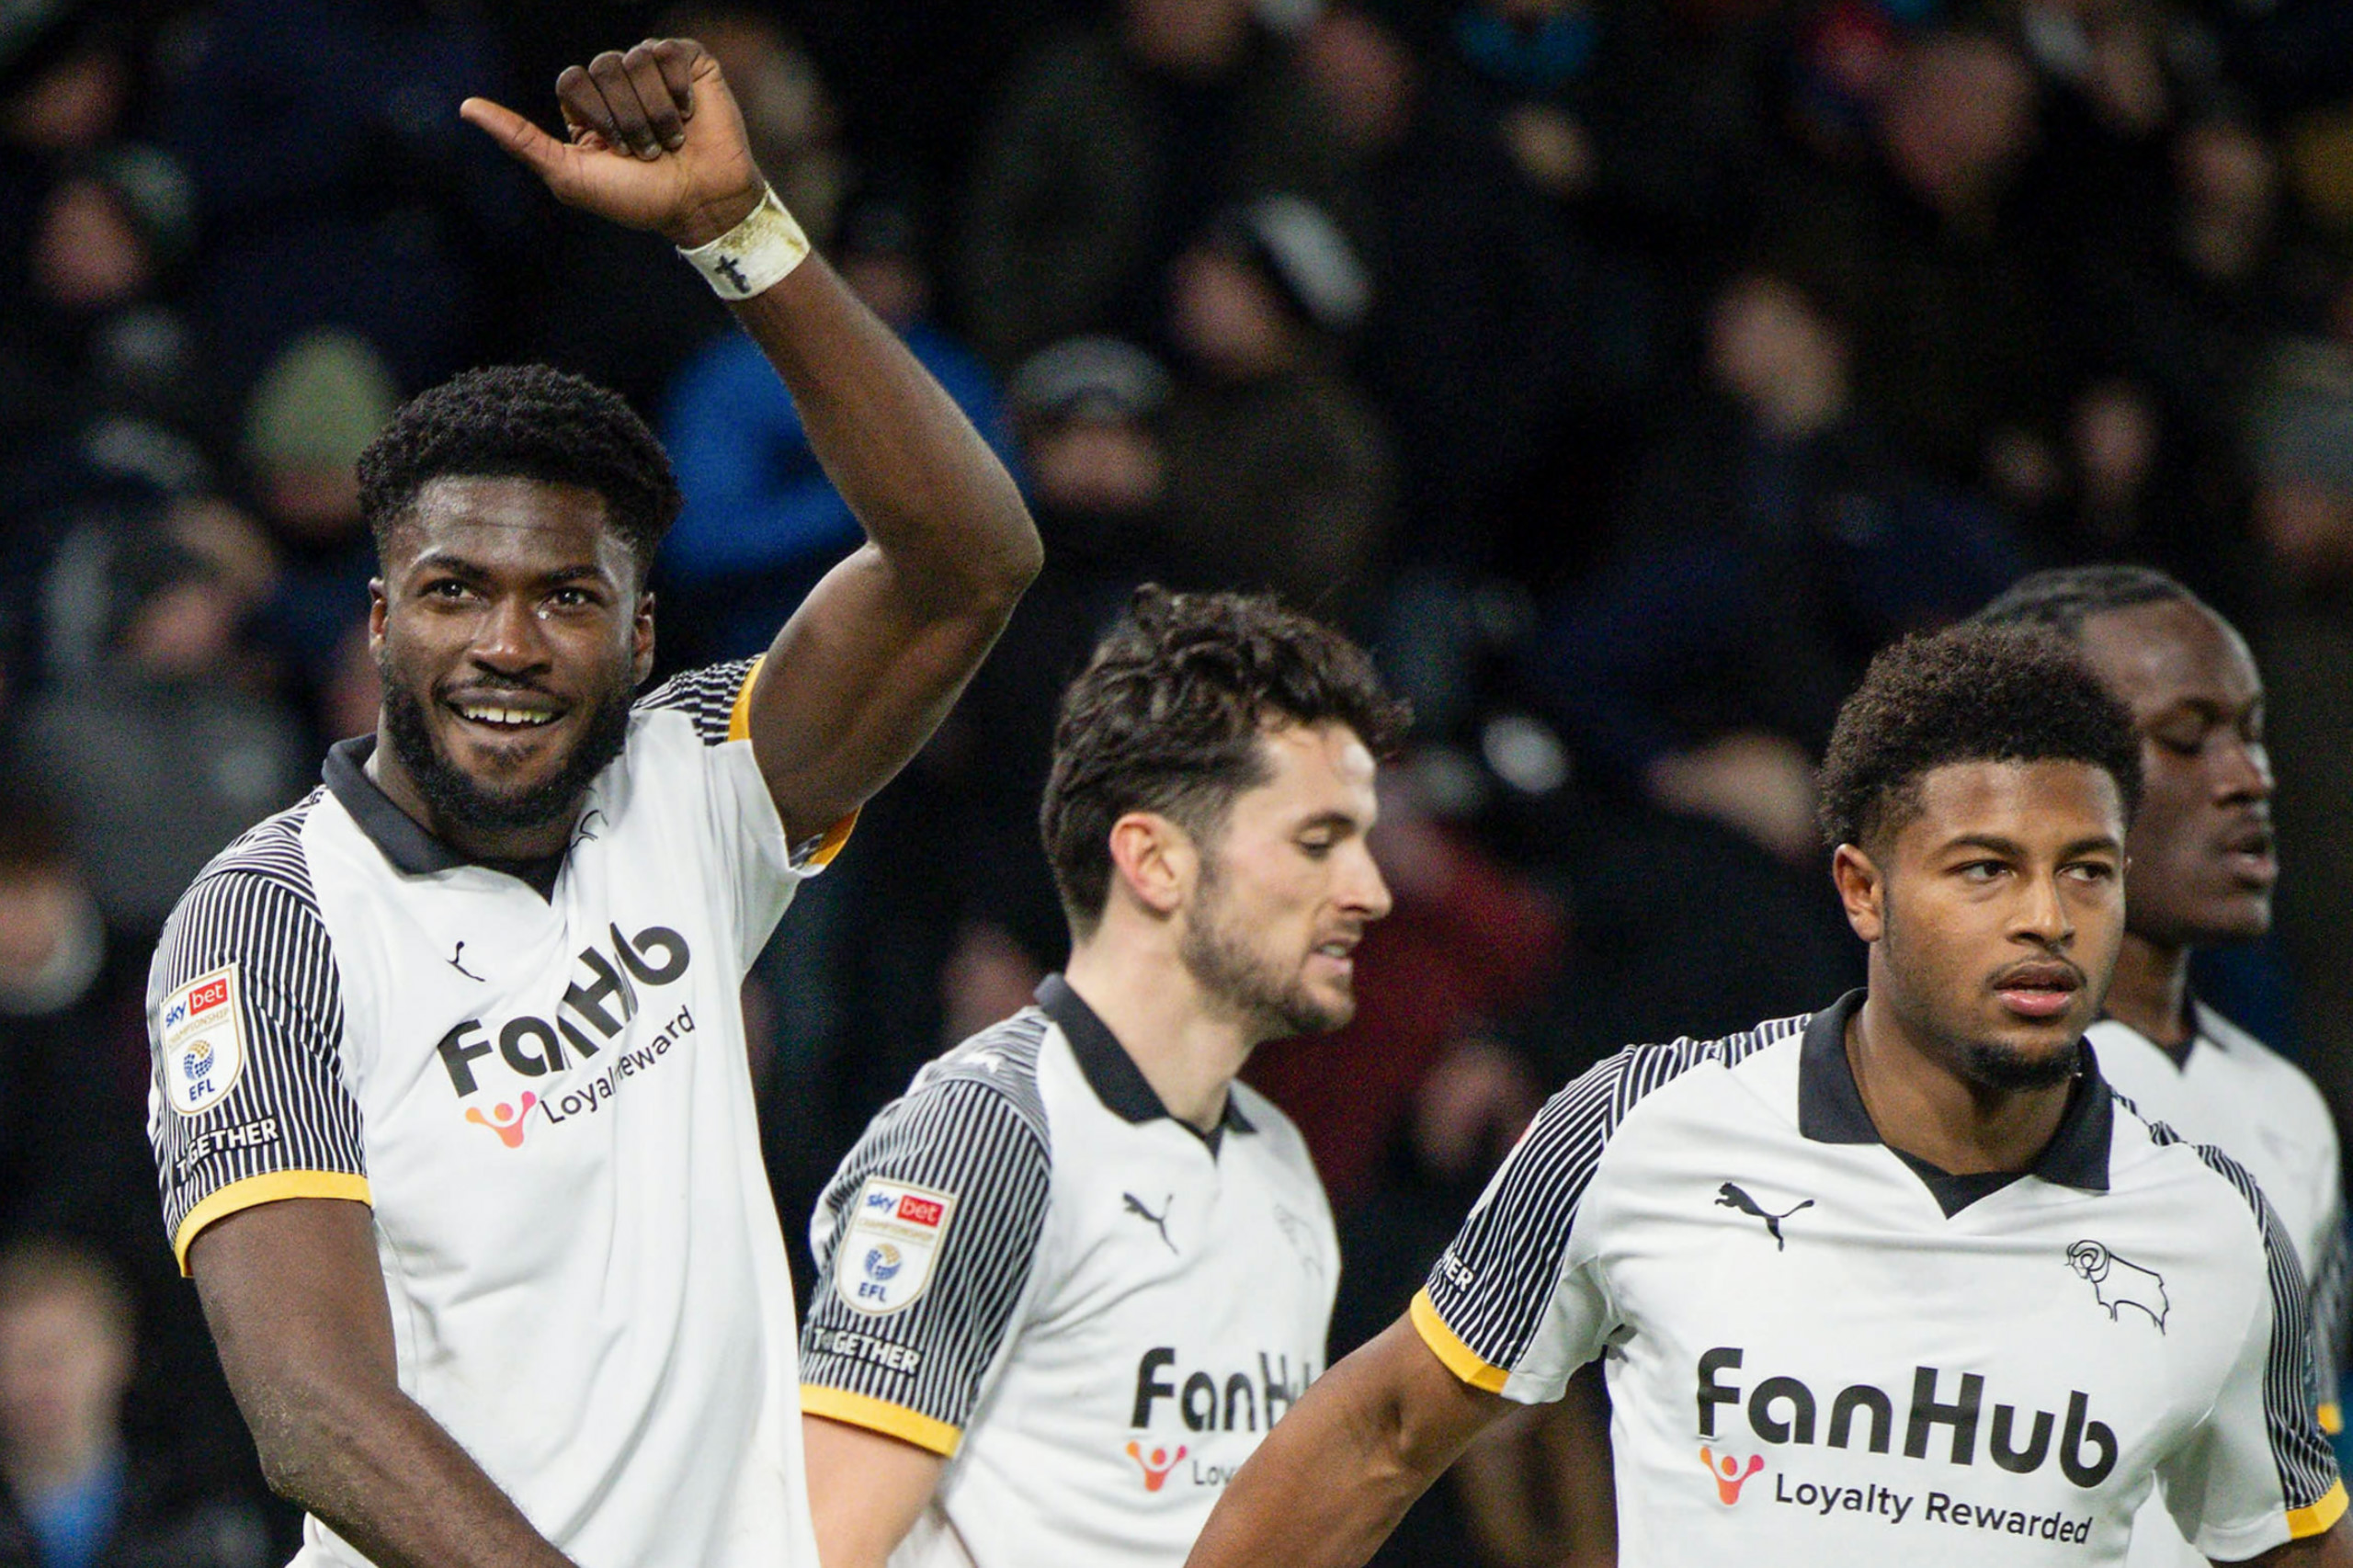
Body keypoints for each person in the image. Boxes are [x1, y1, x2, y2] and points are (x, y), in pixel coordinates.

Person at [142, 38, 1039, 1568]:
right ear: (380, 625)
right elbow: (314, 1409)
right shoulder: (270, 919)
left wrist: (742, 233)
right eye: (454, 590)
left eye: (566, 595)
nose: (506, 641)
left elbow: (970, 564)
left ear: (637, 638)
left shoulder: (693, 778)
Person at [1185, 624, 2352, 1568]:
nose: (2045, 917)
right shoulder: (1637, 1126)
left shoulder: (2211, 1226)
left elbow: (2289, 1546)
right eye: (1985, 869)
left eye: (2085, 871)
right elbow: (1381, 1432)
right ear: (1862, 889)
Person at [796, 585, 1406, 1568]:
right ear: (1154, 862)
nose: (1369, 890)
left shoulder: (1279, 1158)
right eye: (1317, 842)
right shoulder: (981, 1140)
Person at [1977, 564, 2350, 1567]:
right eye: (2186, 738)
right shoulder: (1951, 1089)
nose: (2248, 777)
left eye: (2251, 732)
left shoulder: (2284, 1104)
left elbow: (2301, 1460)